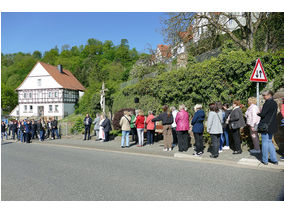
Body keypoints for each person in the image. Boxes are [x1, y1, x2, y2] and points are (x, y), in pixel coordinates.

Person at [257, 90, 278, 165]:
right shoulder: (274, 103)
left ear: (269, 95)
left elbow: (263, 114)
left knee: (265, 142)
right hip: (272, 125)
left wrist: (258, 113)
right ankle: (274, 159)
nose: (263, 97)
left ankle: (265, 160)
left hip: (265, 125)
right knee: (270, 142)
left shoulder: (267, 103)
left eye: (264, 95)